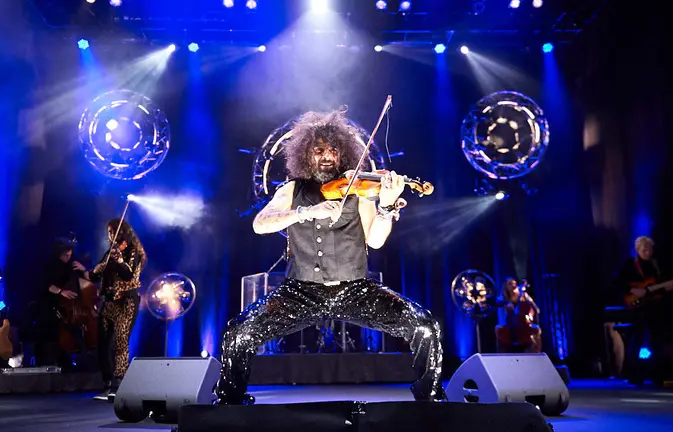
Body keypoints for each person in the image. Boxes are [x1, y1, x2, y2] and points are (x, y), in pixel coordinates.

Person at [215, 108, 445, 405]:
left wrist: (386, 207)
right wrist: (305, 212)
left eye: (333, 150)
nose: (327, 156)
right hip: (300, 291)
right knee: (238, 333)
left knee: (425, 327)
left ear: (343, 154)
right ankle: (230, 404)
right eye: (319, 150)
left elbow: (375, 241)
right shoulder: (291, 190)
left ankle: (431, 401)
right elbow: (260, 224)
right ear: (305, 154)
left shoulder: (359, 193)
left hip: (355, 290)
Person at [611, 236, 673, 384]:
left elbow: (661, 286)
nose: (647, 251)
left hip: (656, 308)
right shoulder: (629, 265)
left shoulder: (657, 265)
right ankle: (633, 373)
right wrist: (632, 289)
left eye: (649, 249)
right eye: (643, 249)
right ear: (637, 250)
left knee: (658, 340)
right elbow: (617, 282)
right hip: (638, 309)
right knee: (636, 340)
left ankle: (658, 374)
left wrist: (668, 289)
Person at [89, 219, 146, 401]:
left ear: (123, 232)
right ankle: (107, 383)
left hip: (125, 302)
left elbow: (128, 274)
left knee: (121, 343)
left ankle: (119, 383)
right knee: (103, 344)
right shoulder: (109, 253)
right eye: (109, 233)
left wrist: (121, 261)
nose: (111, 236)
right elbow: (95, 276)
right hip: (108, 302)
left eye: (114, 232)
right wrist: (95, 270)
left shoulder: (133, 252)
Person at [30, 237, 88, 367]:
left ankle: (77, 363)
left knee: (75, 336)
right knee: (51, 338)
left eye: (70, 255)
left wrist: (83, 269)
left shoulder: (71, 267)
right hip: (51, 306)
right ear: (60, 253)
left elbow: (89, 281)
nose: (69, 258)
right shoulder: (50, 266)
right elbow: (45, 284)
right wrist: (62, 292)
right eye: (67, 255)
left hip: (70, 310)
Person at [495, 278, 541, 353]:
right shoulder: (504, 298)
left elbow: (536, 309)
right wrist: (506, 303)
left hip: (524, 325)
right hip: (509, 325)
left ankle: (536, 355)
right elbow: (496, 302)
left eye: (514, 283)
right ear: (506, 287)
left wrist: (529, 307)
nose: (513, 285)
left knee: (536, 330)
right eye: (510, 284)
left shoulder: (523, 295)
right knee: (498, 330)